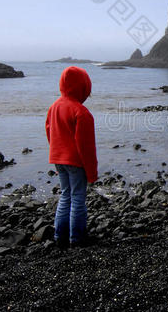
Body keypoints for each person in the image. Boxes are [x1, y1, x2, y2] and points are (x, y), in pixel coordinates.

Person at [45, 66, 98, 247]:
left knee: (65, 195)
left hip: (58, 159)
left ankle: (60, 236)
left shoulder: (53, 107)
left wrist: (56, 152)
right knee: (77, 198)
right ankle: (77, 238)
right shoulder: (81, 113)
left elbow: (49, 132)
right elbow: (86, 147)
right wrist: (92, 173)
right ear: (84, 88)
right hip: (75, 162)